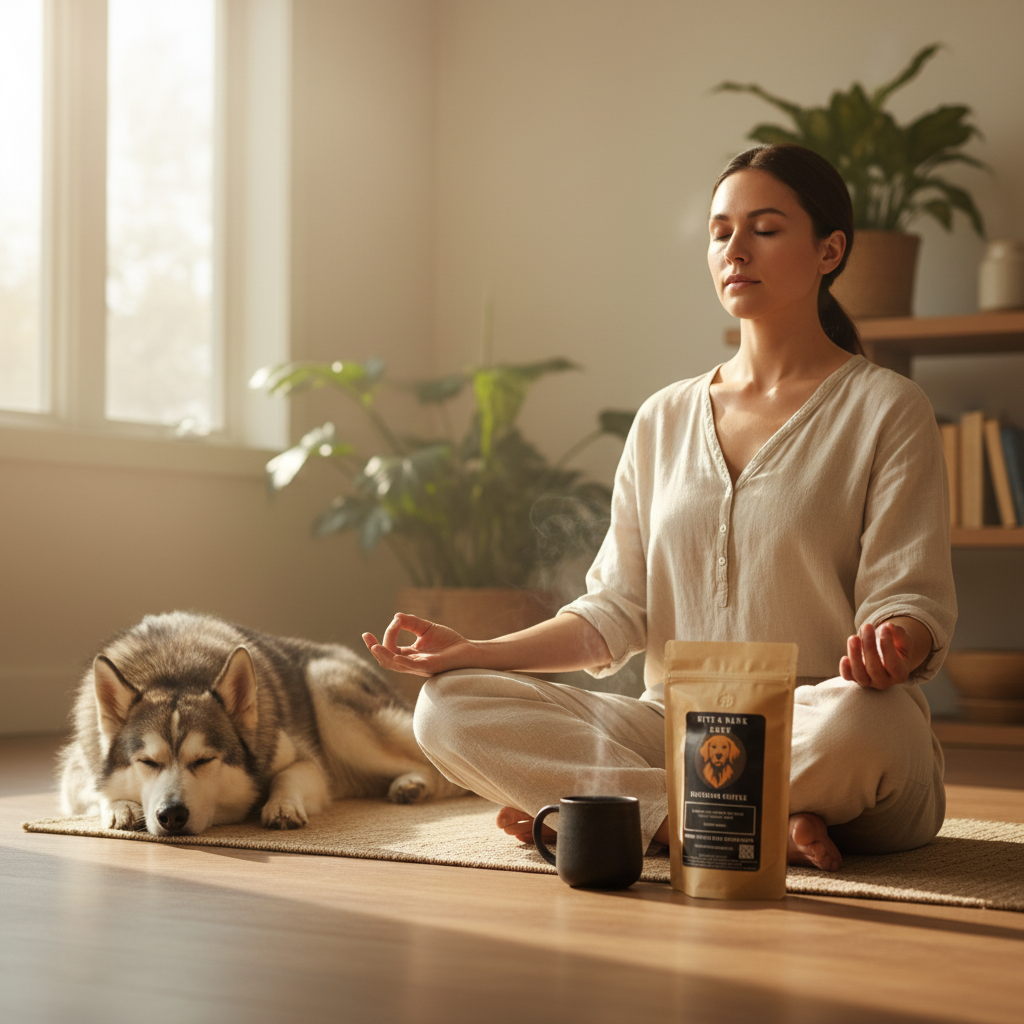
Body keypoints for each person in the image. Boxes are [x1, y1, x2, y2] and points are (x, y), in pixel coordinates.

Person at [363, 144, 956, 872]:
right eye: (719, 232)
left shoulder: (888, 408)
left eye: (764, 229)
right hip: (676, 726)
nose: (735, 249)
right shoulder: (662, 418)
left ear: (829, 249)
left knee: (874, 725)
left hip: (821, 726)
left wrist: (894, 645)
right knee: (448, 709)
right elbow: (614, 613)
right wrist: (473, 653)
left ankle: (618, 817)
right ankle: (718, 824)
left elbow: (911, 597)